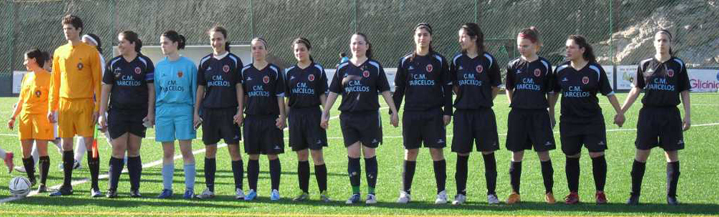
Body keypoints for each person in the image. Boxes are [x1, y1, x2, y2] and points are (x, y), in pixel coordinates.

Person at [321, 32, 400, 204]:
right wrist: (325, 112)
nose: (356, 47)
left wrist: (394, 111)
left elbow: (385, 90)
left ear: (367, 46)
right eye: (354, 43)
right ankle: (355, 193)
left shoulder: (374, 66)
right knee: (353, 154)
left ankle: (371, 193)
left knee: (369, 153)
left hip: (369, 116)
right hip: (348, 118)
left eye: (360, 43)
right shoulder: (342, 68)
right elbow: (334, 91)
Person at [550, 34, 624, 204]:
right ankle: (573, 193)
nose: (568, 50)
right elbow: (554, 93)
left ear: (582, 50)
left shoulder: (595, 70)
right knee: (572, 155)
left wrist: (619, 112)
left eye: (572, 47)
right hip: (569, 121)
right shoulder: (561, 70)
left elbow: (609, 93)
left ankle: (600, 192)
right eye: (567, 47)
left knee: (596, 154)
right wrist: (551, 113)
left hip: (592, 120)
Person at [621, 29, 691, 206]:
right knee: (641, 154)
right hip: (649, 114)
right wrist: (621, 111)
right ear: (654, 43)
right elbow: (636, 89)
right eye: (659, 40)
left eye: (665, 40)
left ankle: (671, 196)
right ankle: (634, 195)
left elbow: (684, 90)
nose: (662, 43)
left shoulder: (678, 65)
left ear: (670, 43)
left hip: (670, 114)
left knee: (672, 155)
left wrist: (687, 115)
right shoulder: (645, 64)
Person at [393, 23, 453, 204]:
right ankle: (405, 192)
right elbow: (399, 89)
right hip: (411, 113)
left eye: (425, 34)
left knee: (436, 151)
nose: (422, 38)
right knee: (410, 152)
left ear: (431, 37)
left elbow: (447, 89)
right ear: (414, 37)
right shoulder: (405, 61)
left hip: (434, 113)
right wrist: (393, 111)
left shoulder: (439, 61)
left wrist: (448, 112)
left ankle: (441, 192)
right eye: (419, 35)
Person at [48, 15, 103, 197]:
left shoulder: (90, 52)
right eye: (65, 28)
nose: (67, 31)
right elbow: (54, 82)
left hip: (85, 104)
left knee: (90, 144)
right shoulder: (59, 52)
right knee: (66, 144)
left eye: (70, 28)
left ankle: (94, 186)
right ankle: (66, 185)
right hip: (65, 105)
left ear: (79, 29)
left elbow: (98, 83)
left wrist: (98, 109)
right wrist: (51, 107)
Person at [449, 23, 501, 205]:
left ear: (474, 38)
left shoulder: (488, 60)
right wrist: (465, 98)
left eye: (463, 36)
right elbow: (454, 86)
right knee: (462, 154)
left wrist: (485, 100)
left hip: (483, 114)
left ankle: (491, 194)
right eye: (459, 37)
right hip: (462, 114)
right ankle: (460, 194)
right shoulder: (456, 60)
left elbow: (495, 86)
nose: (460, 40)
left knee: (488, 152)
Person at [97, 30, 154, 198]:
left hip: (138, 113)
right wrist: (102, 114)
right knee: (118, 149)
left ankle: (134, 189)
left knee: (134, 149)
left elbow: (151, 90)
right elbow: (105, 90)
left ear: (133, 44)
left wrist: (150, 113)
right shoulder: (113, 63)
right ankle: (112, 188)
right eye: (119, 42)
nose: (119, 45)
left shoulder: (145, 62)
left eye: (122, 42)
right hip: (118, 113)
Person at [504, 27, 557, 204]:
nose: (522, 48)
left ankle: (549, 192)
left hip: (539, 115)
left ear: (536, 45)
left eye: (525, 45)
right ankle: (515, 192)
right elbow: (508, 88)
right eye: (519, 45)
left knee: (544, 153)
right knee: (516, 154)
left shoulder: (544, 65)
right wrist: (513, 104)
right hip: (518, 115)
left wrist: (552, 113)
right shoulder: (513, 65)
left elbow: (550, 92)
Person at [193, 26, 246, 200]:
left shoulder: (234, 61)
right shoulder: (205, 62)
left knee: (234, 150)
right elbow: (200, 89)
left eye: (219, 39)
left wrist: (240, 110)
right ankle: (209, 189)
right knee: (210, 150)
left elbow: (239, 87)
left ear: (225, 39)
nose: (216, 42)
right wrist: (196, 112)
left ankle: (239, 189)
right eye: (213, 39)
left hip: (229, 111)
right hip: (209, 112)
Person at [284, 37, 330, 202]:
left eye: (302, 49)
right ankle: (304, 192)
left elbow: (322, 94)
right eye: (296, 50)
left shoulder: (317, 69)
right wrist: (284, 117)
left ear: (309, 50)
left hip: (313, 115)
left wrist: (325, 114)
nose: (299, 52)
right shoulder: (289, 72)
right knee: (301, 155)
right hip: (296, 116)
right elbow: (288, 99)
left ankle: (323, 192)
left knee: (317, 154)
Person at [240, 37, 287, 201]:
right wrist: (240, 112)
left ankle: (275, 190)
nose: (257, 51)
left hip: (270, 119)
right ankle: (252, 190)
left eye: (260, 48)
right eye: (254, 48)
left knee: (272, 155)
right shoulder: (245, 71)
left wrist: (282, 116)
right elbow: (243, 95)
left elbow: (280, 95)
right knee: (253, 155)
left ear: (266, 51)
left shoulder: (274, 71)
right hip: (251, 119)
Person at [154, 30, 198, 199]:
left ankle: (189, 189)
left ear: (175, 44)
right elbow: (157, 92)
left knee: (186, 151)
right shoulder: (159, 66)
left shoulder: (189, 65)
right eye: (161, 43)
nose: (162, 46)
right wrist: (154, 113)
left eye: (165, 43)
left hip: (183, 111)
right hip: (164, 111)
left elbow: (194, 92)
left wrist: (196, 113)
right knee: (167, 152)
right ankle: (167, 188)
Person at [8, 49, 53, 193]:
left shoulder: (49, 77)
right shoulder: (26, 77)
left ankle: (42, 183)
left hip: (42, 117)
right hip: (26, 117)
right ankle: (31, 179)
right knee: (25, 152)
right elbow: (21, 100)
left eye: (26, 59)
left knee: (42, 151)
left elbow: (53, 99)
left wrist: (52, 112)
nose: (24, 62)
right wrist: (13, 117)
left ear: (34, 60)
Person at [70, 33, 113, 171]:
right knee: (87, 129)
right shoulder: (84, 55)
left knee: (104, 128)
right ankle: (76, 160)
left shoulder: (96, 56)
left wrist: (99, 101)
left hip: (96, 100)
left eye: (87, 42)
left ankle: (121, 154)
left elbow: (100, 81)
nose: (84, 45)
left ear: (95, 45)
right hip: (87, 99)